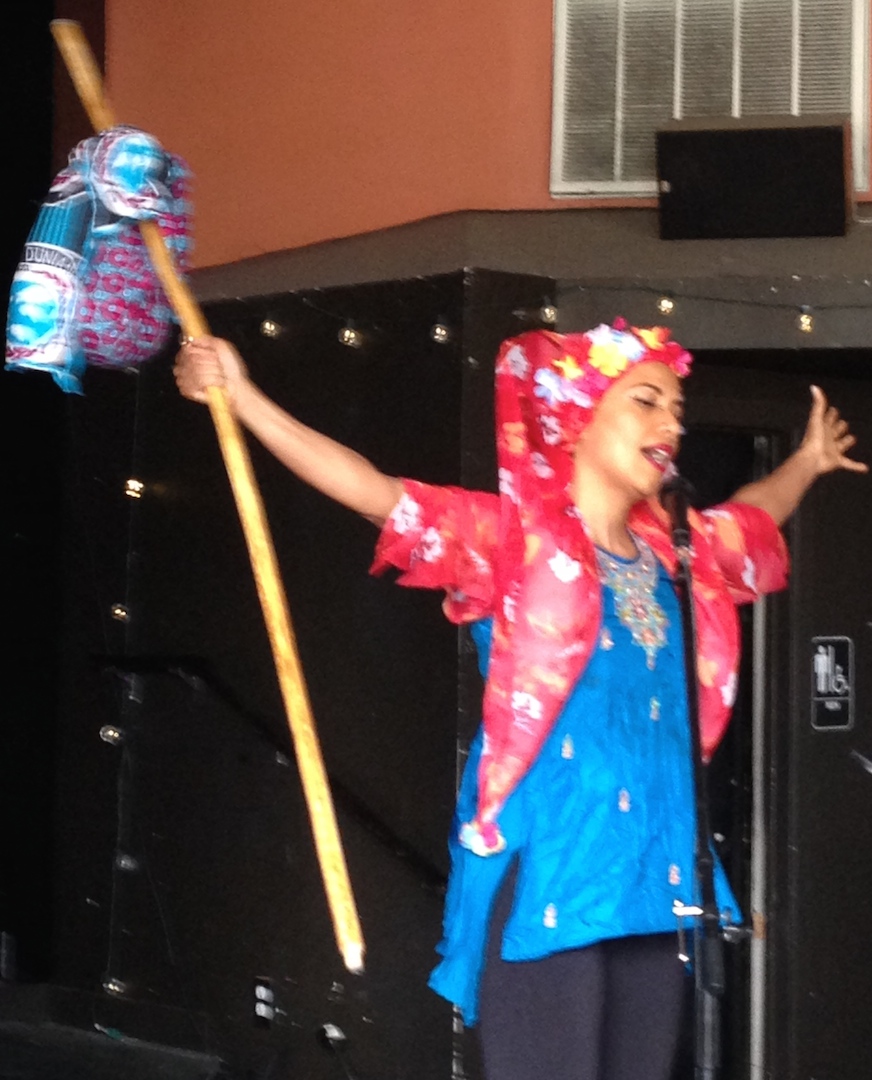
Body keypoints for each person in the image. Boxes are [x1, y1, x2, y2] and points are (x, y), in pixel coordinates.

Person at [174, 322, 866, 1080]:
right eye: (646, 402)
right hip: (550, 874)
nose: (672, 425)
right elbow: (375, 493)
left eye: (677, 410)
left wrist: (807, 460)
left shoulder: (680, 552)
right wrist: (242, 396)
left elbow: (754, 516)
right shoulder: (513, 540)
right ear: (576, 417)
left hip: (653, 883)